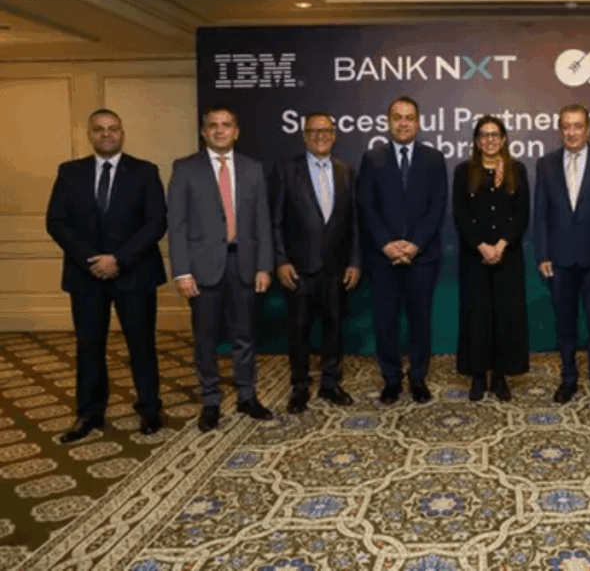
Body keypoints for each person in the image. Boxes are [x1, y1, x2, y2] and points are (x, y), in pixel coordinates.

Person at [45, 109, 166, 442]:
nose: (106, 134)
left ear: (122, 133)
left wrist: (119, 259)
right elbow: (56, 221)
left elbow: (156, 221)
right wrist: (92, 261)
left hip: (135, 274)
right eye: (99, 129)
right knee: (89, 347)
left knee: (142, 346)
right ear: (90, 134)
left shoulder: (145, 171)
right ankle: (89, 413)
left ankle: (150, 409)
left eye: (113, 129)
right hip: (86, 276)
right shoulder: (70, 172)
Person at [167, 107, 274, 432]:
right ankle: (210, 400)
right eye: (212, 125)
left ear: (236, 131)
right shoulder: (186, 168)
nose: (219, 130)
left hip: (244, 263)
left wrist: (264, 266)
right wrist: (182, 271)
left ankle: (247, 396)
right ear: (204, 132)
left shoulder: (253, 168)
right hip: (202, 269)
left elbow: (263, 222)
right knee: (205, 339)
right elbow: (176, 224)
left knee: (244, 336)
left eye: (226, 125)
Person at [357, 96, 448, 404]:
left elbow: (437, 207)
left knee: (420, 321)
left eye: (409, 117)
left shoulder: (434, 159)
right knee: (386, 322)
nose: (403, 123)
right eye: (397, 117)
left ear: (418, 123)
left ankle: (418, 378)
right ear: (388, 122)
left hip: (422, 258)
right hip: (383, 259)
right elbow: (366, 206)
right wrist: (387, 244)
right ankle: (392, 380)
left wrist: (414, 245)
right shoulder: (372, 158)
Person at [534, 104, 590, 405]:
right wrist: (543, 254)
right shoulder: (546, 164)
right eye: (566, 126)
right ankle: (568, 379)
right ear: (560, 130)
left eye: (578, 126)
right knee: (565, 325)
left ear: (588, 130)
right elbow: (541, 213)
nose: (572, 132)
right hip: (559, 261)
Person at [273, 112, 361, 414]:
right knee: (299, 329)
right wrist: (281, 260)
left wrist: (354, 262)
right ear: (304, 135)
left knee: (334, 328)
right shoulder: (286, 170)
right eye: (313, 131)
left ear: (334, 135)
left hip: (336, 268)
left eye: (325, 131)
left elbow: (354, 223)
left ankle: (330, 384)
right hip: (298, 269)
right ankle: (299, 387)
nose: (320, 136)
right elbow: (275, 221)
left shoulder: (346, 171)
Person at [453, 116, 530, 401]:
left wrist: (501, 244)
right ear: (476, 141)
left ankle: (499, 376)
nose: (490, 140)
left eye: (495, 134)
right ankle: (477, 375)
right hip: (474, 257)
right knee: (477, 317)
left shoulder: (516, 170)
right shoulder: (464, 171)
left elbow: (522, 213)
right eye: (484, 135)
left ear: (504, 138)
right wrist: (481, 246)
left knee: (505, 317)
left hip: (507, 256)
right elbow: (460, 214)